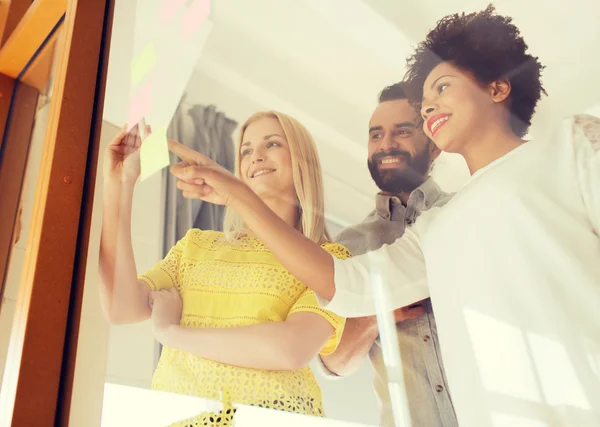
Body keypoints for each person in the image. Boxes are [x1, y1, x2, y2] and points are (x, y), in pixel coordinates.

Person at [166, 6, 600, 426]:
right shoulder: (437, 229)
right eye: (425, 101)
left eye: (442, 89)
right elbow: (345, 284)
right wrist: (241, 196)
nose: (429, 108)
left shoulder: (570, 143)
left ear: (497, 88)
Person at [98, 110, 351, 418]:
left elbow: (290, 349)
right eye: (246, 150)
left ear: (302, 160)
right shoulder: (195, 246)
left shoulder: (329, 261)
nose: (255, 156)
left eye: (272, 144)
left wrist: (171, 334)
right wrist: (120, 183)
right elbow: (120, 307)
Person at [316, 82, 458, 427]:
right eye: (376, 135)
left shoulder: (465, 213)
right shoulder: (346, 246)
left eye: (403, 131)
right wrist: (374, 316)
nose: (387, 144)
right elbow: (334, 365)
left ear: (434, 145)